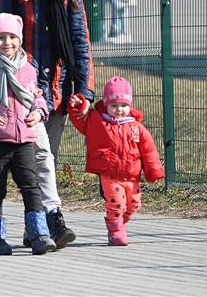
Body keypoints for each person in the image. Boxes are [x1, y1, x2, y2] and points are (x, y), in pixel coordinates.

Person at [0, 0, 95, 249]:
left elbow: (80, 42)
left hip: (57, 89)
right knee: (38, 156)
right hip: (18, 90)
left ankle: (35, 227)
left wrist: (84, 90)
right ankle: (53, 219)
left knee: (46, 159)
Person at [0, 13, 57, 255]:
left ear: (20, 39)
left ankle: (39, 234)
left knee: (31, 186)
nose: (7, 43)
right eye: (1, 38)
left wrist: (39, 113)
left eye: (12, 37)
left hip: (25, 139)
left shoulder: (27, 68)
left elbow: (37, 97)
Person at [67, 76, 164, 246]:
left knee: (134, 204)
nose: (119, 110)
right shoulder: (97, 121)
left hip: (132, 174)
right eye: (114, 106)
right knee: (117, 204)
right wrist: (78, 105)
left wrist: (153, 170)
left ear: (130, 105)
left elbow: (149, 150)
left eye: (124, 105)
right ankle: (115, 231)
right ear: (106, 104)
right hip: (109, 174)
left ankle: (118, 224)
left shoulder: (136, 127)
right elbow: (80, 120)